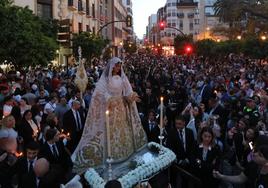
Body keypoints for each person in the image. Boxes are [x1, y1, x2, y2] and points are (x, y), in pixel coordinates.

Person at [71, 57, 147, 171]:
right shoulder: (105, 79)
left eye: (119, 65)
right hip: (110, 110)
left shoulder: (122, 78)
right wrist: (109, 99)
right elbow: (99, 93)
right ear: (112, 66)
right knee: (111, 132)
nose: (118, 68)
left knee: (123, 130)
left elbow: (127, 90)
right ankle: (111, 155)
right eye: (116, 65)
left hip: (121, 108)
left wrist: (132, 96)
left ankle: (125, 152)